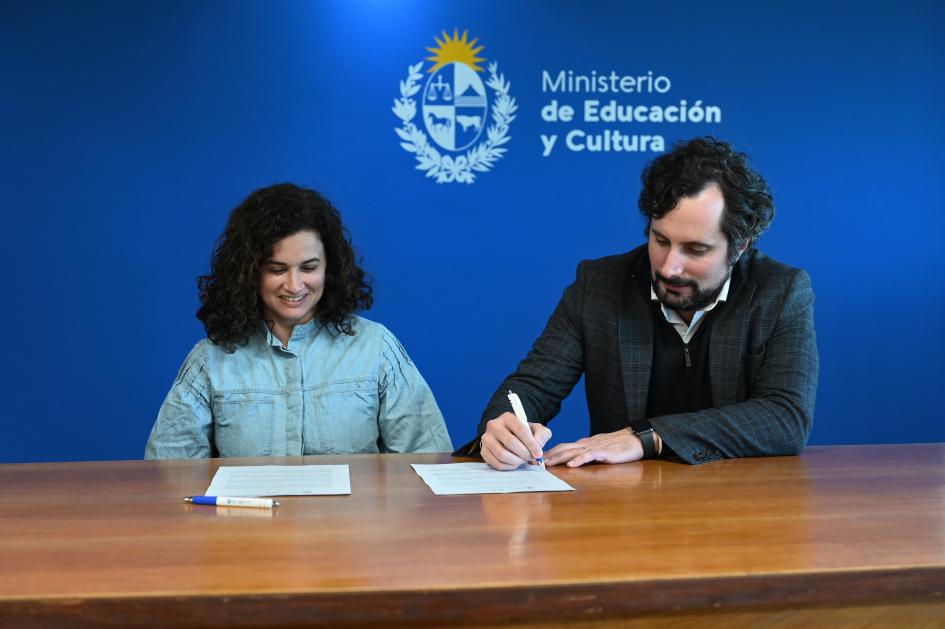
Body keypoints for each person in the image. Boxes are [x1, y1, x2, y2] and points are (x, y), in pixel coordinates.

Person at [462, 137, 818, 469]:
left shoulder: (780, 291)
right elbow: (531, 387)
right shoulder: (599, 286)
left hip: (740, 510)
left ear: (739, 248)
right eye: (660, 240)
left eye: (695, 249)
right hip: (624, 509)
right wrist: (501, 429)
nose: (669, 266)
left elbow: (785, 418)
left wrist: (648, 437)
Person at [146, 183, 452, 458]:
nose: (294, 286)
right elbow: (168, 477)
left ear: (329, 268)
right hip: (244, 522)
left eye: (309, 267)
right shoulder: (210, 360)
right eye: (277, 269)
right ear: (249, 272)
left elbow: (426, 463)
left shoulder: (377, 348)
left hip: (355, 523)